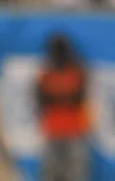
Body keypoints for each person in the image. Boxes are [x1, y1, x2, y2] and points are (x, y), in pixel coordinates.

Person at [36, 34, 90, 181]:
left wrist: (56, 96)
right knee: (51, 174)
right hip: (53, 130)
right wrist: (62, 96)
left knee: (75, 174)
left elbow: (78, 98)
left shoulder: (77, 72)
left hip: (74, 130)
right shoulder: (46, 74)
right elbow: (41, 100)